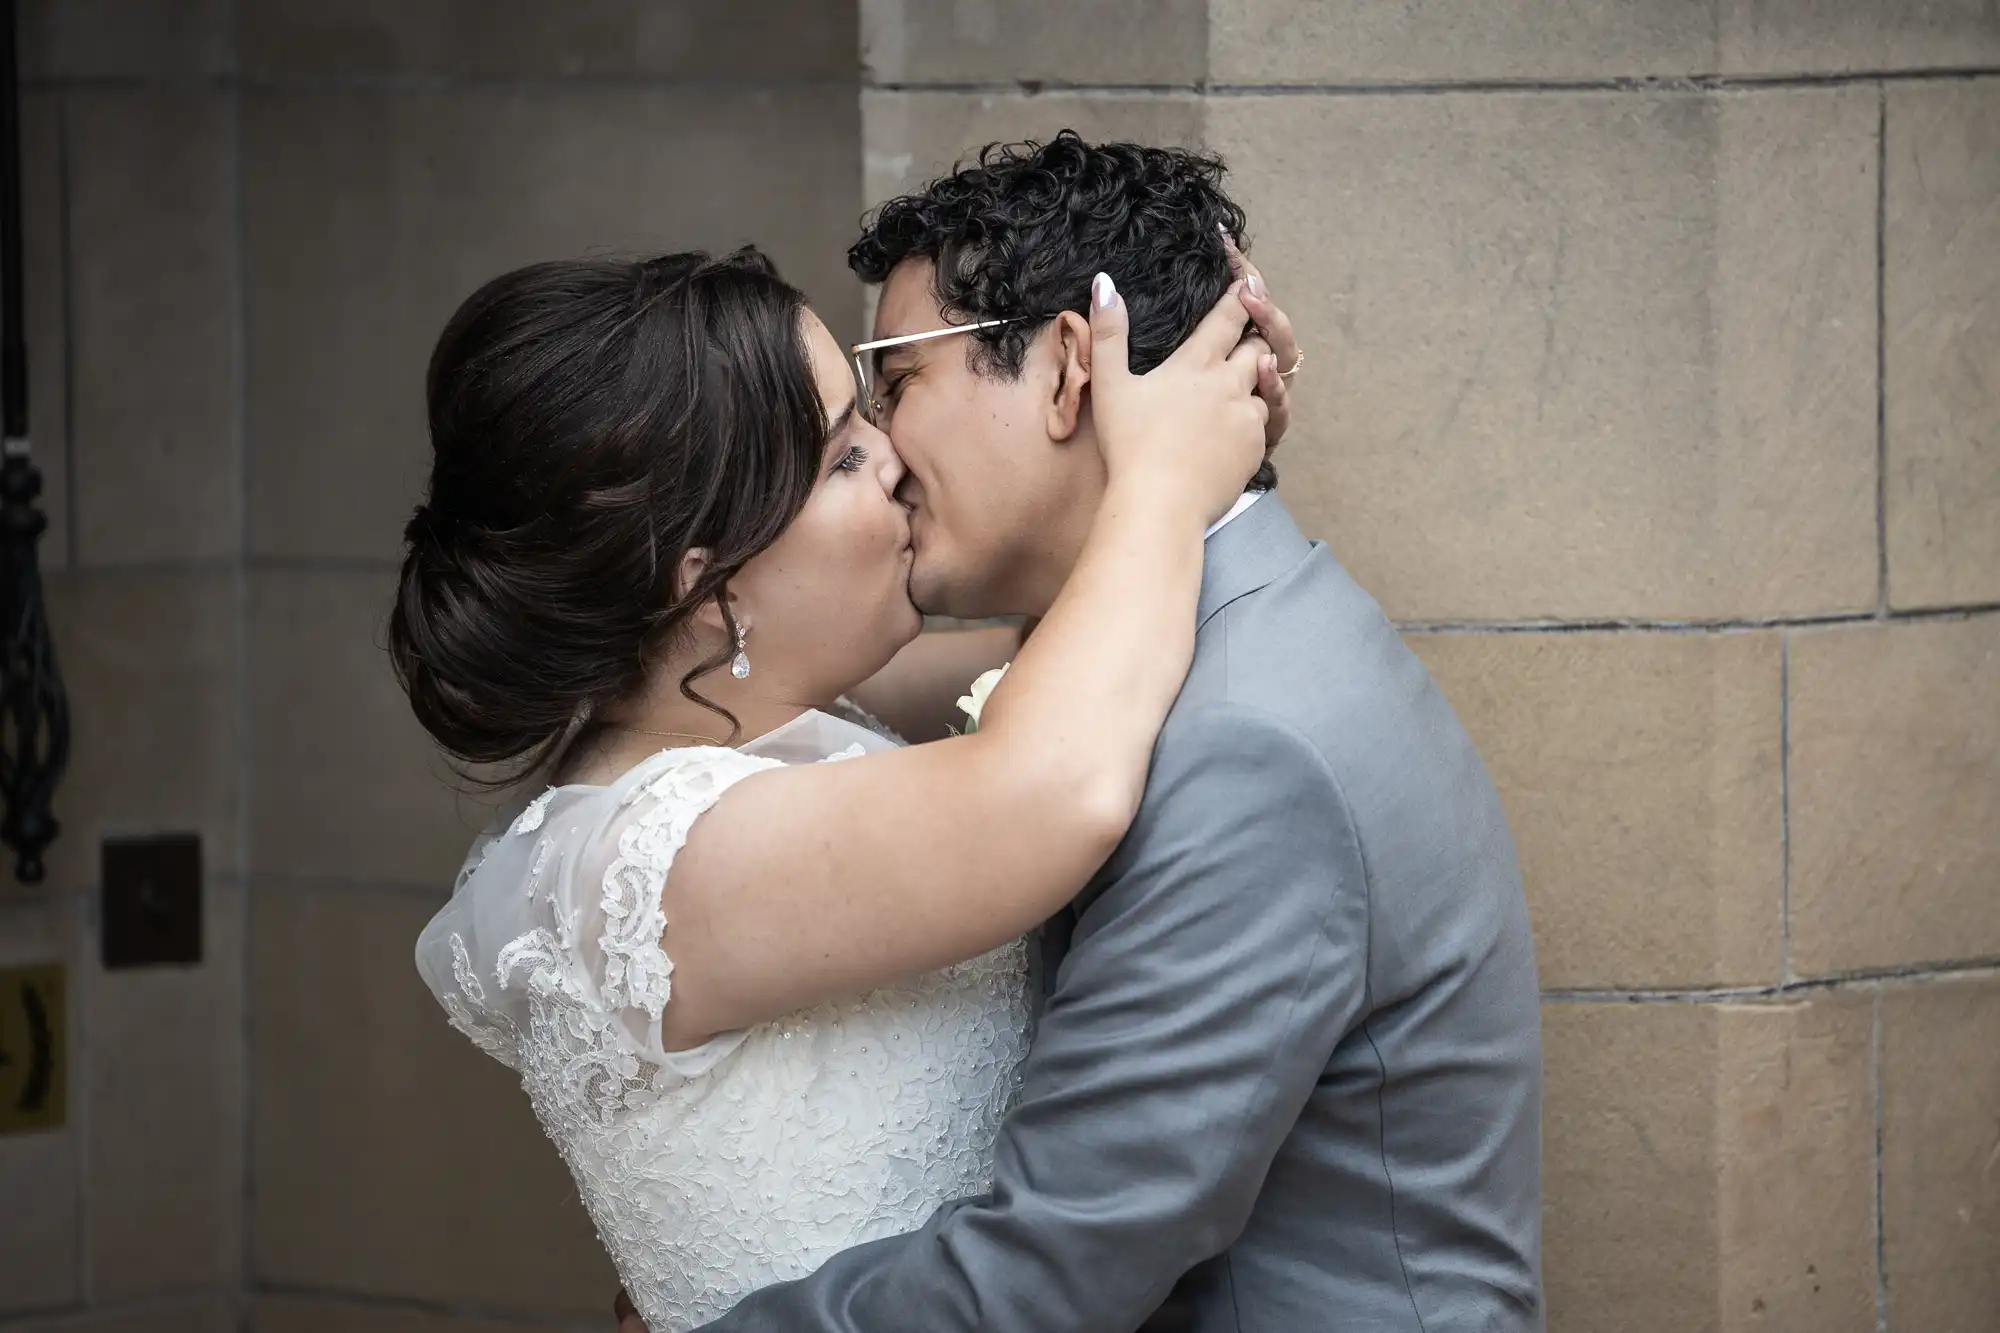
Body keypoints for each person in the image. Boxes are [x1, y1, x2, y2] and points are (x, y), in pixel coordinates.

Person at [631, 135, 1545, 1333]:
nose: (887, 456)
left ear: (1069, 370)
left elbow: (1054, 1266)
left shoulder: (1240, 748)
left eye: (895, 383)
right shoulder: (1202, 641)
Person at [400, 237, 1285, 1330]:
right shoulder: (666, 857)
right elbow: (1055, 788)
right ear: (713, 593)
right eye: (843, 459)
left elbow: (1074, 654)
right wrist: (1160, 481)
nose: (897, 455)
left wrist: (1157, 446)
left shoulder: (757, 731)